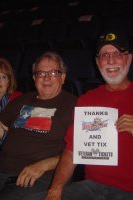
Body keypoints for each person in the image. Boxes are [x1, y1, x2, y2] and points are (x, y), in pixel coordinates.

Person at [36, 31, 133, 200]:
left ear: (129, 58)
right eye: (104, 55)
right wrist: (55, 189)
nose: (110, 61)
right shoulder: (86, 99)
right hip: (91, 188)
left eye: (117, 54)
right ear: (97, 62)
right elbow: (72, 150)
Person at [0, 51, 77, 200]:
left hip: (38, 177)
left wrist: (43, 165)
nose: (46, 77)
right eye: (40, 73)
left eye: (53, 72)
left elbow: (79, 152)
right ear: (34, 78)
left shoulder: (74, 106)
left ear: (63, 77)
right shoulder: (22, 100)